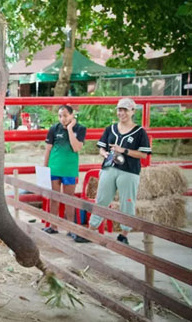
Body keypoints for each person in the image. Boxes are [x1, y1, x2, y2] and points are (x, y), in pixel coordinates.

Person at [76, 98, 152, 244]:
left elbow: (143, 154)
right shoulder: (110, 129)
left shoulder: (140, 132)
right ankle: (91, 231)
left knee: (127, 202)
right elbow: (101, 147)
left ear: (132, 111)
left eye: (125, 110)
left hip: (129, 171)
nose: (121, 113)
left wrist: (123, 150)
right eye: (119, 110)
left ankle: (124, 234)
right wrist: (104, 153)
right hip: (109, 167)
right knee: (101, 199)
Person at [42, 105, 86, 237]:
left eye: (66, 115)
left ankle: (70, 228)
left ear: (72, 115)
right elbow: (48, 149)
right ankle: (53, 226)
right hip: (54, 167)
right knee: (54, 198)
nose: (63, 119)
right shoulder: (54, 128)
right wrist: (45, 168)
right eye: (60, 116)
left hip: (69, 169)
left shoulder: (80, 129)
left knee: (69, 199)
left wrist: (70, 129)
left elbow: (76, 148)